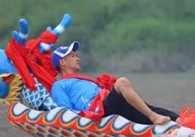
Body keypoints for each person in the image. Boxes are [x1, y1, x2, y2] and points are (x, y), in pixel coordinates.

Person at [50, 41, 178, 126]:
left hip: (109, 104)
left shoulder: (82, 80)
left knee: (144, 106)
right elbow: (66, 112)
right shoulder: (59, 85)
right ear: (62, 62)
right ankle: (154, 117)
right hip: (98, 111)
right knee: (122, 83)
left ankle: (179, 120)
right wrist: (87, 118)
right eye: (72, 56)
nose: (78, 59)